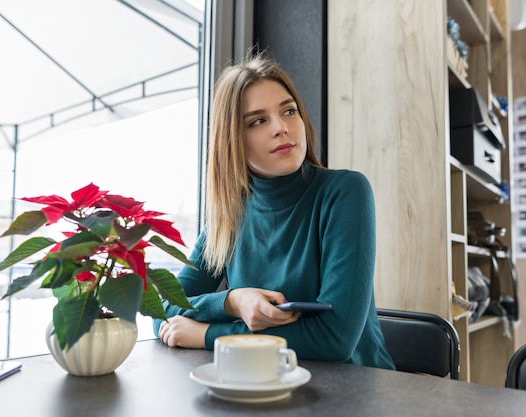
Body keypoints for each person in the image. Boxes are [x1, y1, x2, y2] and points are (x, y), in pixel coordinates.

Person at [154, 51, 395, 370]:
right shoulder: (230, 217)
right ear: (232, 140)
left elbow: (334, 339)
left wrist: (209, 334)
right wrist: (232, 301)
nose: (281, 127)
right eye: (258, 121)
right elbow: (160, 311)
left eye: (289, 111)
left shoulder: (345, 192)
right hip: (265, 386)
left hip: (355, 390)